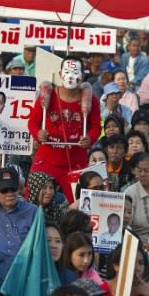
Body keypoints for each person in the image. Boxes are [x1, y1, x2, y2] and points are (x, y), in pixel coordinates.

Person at [28, 57, 102, 200]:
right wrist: (38, 134)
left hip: (75, 162)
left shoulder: (91, 100)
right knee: (34, 199)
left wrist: (90, 139)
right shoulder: (47, 97)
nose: (70, 76)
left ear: (82, 76)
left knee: (79, 203)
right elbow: (33, 122)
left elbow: (96, 127)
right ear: (61, 74)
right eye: (67, 72)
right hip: (47, 160)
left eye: (75, 72)